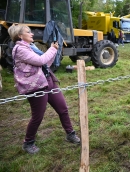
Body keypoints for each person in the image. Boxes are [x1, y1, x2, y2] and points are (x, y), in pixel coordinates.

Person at [8, 24, 80, 154]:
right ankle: (28, 143)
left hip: (47, 80)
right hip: (35, 85)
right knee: (38, 116)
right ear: (20, 36)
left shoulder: (31, 47)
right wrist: (52, 49)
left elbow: (46, 64)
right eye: (28, 32)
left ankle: (70, 134)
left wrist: (54, 50)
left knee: (63, 108)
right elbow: (41, 61)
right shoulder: (20, 49)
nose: (32, 34)